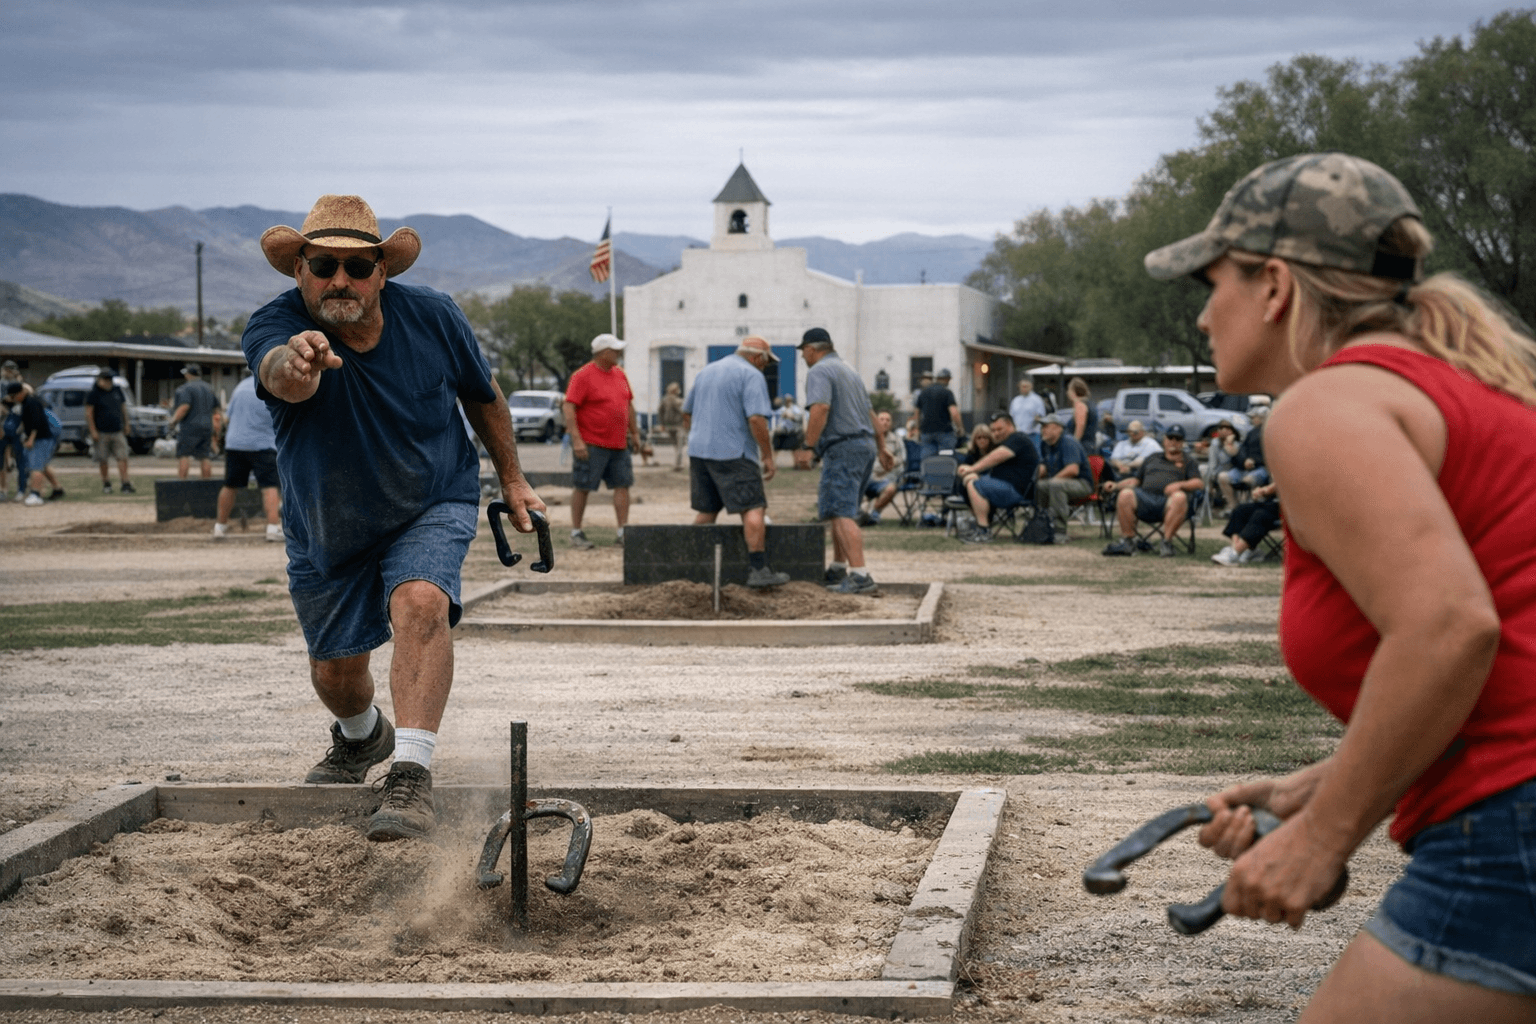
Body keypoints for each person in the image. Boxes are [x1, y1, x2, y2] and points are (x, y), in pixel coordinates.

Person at [1143, 152, 1536, 1021]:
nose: (1204, 315)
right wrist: (1320, 787)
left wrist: (1323, 840)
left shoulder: (1326, 408)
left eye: (1212, 284)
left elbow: (1450, 628)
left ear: (1274, 286)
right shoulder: (1465, 388)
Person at [242, 193, 545, 842]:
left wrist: (514, 479)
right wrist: (299, 363)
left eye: (357, 267)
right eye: (324, 266)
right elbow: (280, 376)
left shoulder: (433, 316)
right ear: (299, 271)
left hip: (432, 497)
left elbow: (482, 394)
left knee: (420, 602)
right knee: (338, 674)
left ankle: (410, 775)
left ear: (382, 272)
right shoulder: (275, 325)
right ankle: (362, 737)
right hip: (328, 524)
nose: (340, 280)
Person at [681, 335, 790, 588]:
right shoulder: (751, 375)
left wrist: (700, 435)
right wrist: (767, 455)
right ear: (758, 357)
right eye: (766, 362)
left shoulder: (706, 371)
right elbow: (756, 419)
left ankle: (689, 566)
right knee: (753, 507)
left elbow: (687, 412)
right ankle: (759, 570)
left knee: (707, 510)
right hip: (734, 453)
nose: (766, 366)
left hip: (699, 452)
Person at [794, 327, 893, 594]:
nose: (802, 357)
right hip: (864, 445)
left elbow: (820, 408)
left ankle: (860, 575)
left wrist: (808, 446)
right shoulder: (849, 370)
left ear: (811, 349)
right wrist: (882, 447)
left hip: (843, 446)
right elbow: (871, 413)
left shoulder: (819, 371)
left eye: (803, 351)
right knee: (843, 509)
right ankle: (838, 567)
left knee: (840, 511)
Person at [562, 334, 645, 549]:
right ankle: (576, 532)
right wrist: (576, 440)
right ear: (603, 353)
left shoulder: (620, 374)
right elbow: (569, 406)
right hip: (591, 443)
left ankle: (622, 532)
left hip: (619, 444)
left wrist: (635, 433)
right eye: (615, 350)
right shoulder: (583, 376)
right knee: (583, 486)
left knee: (623, 485)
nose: (619, 354)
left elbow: (628, 404)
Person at [1101, 424, 1202, 557]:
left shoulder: (1189, 461)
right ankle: (1127, 542)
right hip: (1145, 500)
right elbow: (1136, 480)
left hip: (1169, 503)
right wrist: (1116, 485)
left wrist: (1179, 485)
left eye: (1177, 439)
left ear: (1182, 443)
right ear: (1164, 440)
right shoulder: (1152, 458)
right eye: (1170, 438)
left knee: (1179, 496)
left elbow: (1198, 483)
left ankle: (1166, 543)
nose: (1173, 442)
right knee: (1125, 494)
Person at [213, 373, 283, 543]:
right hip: (262, 444)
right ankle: (273, 528)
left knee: (230, 485)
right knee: (269, 486)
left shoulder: (240, 387)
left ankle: (219, 527)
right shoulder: (272, 387)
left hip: (235, 444)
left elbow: (227, 418)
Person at [955, 411, 1039, 543]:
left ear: (1010, 425)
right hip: (1004, 488)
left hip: (1017, 492)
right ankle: (979, 525)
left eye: (999, 429)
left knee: (974, 483)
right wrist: (971, 473)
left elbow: (997, 456)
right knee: (968, 481)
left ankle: (983, 531)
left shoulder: (1018, 438)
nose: (996, 433)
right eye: (993, 430)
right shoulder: (1005, 442)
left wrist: (972, 469)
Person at [4, 381, 63, 505]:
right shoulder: (26, 403)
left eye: (14, 396)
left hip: (41, 439)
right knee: (42, 466)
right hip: (40, 438)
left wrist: (31, 439)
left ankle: (35, 495)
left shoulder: (32, 403)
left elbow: (36, 422)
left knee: (36, 467)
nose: (13, 399)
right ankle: (58, 489)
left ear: (21, 393)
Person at [1036, 418, 1093, 542]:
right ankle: (1043, 525)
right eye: (1042, 427)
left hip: (1082, 484)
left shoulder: (1068, 442)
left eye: (1046, 426)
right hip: (1059, 483)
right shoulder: (1045, 444)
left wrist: (1051, 481)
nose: (1042, 430)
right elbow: (1044, 466)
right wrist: (1033, 477)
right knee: (1039, 485)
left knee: (1055, 484)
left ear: (1058, 429)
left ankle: (1059, 531)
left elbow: (1073, 470)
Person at [85, 369, 136, 494]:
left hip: (117, 430)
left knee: (122, 457)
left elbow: (123, 408)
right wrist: (93, 431)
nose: (109, 382)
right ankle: (106, 483)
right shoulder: (93, 393)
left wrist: (127, 424)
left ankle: (125, 483)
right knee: (103, 459)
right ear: (100, 380)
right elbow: (89, 413)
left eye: (111, 379)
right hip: (101, 431)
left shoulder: (117, 390)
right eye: (106, 379)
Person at [167, 363, 219, 480]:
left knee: (184, 455)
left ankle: (182, 483)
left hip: (189, 428)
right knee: (205, 456)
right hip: (207, 427)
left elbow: (184, 407)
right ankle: (207, 484)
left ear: (188, 374)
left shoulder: (185, 388)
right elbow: (216, 409)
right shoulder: (209, 388)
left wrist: (173, 421)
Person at [1211, 480, 1279, 565]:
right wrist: (1259, 492)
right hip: (1273, 504)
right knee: (1240, 510)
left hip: (1290, 510)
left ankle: (1235, 553)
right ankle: (1239, 550)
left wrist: (1267, 489)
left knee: (1261, 515)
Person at [857, 410, 907, 526]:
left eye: (888, 420)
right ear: (875, 422)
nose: (885, 422)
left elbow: (902, 459)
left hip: (886, 478)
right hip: (866, 477)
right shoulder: (867, 439)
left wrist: (891, 462)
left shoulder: (896, 440)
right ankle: (861, 513)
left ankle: (874, 514)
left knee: (891, 489)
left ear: (891, 423)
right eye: (882, 419)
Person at [910, 367, 963, 459]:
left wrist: (918, 429)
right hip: (945, 431)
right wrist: (960, 428)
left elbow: (917, 413)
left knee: (928, 460)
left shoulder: (923, 393)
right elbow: (954, 413)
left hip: (926, 432)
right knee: (946, 459)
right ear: (946, 379)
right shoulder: (947, 392)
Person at [656, 381, 687, 470]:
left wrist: (662, 424)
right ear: (675, 390)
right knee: (679, 445)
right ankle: (678, 464)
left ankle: (678, 463)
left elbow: (660, 411)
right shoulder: (678, 401)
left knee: (676, 445)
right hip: (678, 425)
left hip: (668, 426)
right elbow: (682, 411)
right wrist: (687, 421)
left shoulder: (664, 400)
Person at [1009, 377, 1047, 448]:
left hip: (1033, 434)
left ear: (1031, 387)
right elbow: (1011, 417)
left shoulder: (1037, 400)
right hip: (1018, 434)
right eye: (1022, 386)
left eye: (1026, 386)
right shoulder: (1015, 400)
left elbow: (1042, 416)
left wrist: (1037, 419)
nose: (1024, 388)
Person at [1065, 376, 1093, 447]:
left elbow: (1080, 426)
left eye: (1069, 389)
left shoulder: (1080, 405)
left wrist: (1074, 444)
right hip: (1088, 445)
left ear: (1074, 391)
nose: (1067, 392)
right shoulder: (1088, 403)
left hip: (1083, 446)